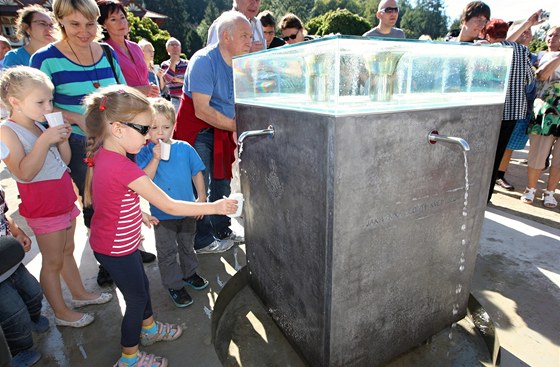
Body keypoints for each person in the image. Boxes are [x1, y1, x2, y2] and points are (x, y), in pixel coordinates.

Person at [81, 85, 238, 367]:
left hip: (117, 244)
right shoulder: (123, 165)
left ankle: (150, 329)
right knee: (137, 297)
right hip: (115, 248)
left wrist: (136, 213)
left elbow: (112, 198)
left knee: (140, 286)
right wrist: (214, 207)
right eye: (144, 129)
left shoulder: (108, 156)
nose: (150, 136)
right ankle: (130, 356)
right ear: (117, 129)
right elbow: (169, 205)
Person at [0, 66, 112, 328]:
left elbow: (64, 160)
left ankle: (79, 293)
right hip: (43, 205)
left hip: (61, 198)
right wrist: (45, 140)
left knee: (67, 250)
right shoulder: (7, 131)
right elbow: (24, 172)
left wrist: (61, 139)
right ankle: (61, 312)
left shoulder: (40, 124)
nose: (48, 106)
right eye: (40, 102)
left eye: (50, 100)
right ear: (15, 102)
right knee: (52, 261)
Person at [175, 11, 251, 254]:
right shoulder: (204, 61)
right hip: (200, 130)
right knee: (200, 185)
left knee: (223, 183)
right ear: (226, 36)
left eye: (250, 35)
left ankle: (222, 228)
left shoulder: (241, 62)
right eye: (244, 35)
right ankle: (202, 239)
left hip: (222, 131)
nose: (250, 40)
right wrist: (236, 127)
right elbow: (201, 110)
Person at [136, 98, 209, 308]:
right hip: (162, 215)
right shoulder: (144, 152)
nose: (160, 133)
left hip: (187, 211)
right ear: (146, 130)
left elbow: (197, 172)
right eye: (154, 128)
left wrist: (201, 199)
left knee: (188, 245)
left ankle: (190, 274)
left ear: (173, 126)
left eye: (165, 127)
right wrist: (155, 158)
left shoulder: (184, 148)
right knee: (167, 252)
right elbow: (144, 180)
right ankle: (174, 285)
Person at [0, 142, 48, 367]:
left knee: (33, 293)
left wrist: (16, 231)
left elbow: (4, 216)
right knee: (13, 314)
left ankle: (35, 318)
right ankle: (20, 352)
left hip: (11, 262)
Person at [482, 19, 535, 204]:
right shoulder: (522, 50)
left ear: (488, 35)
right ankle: (487, 196)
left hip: (492, 108)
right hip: (514, 109)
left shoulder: (489, 50)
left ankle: (478, 195)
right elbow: (530, 79)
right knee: (498, 153)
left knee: (484, 153)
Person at [495, 12, 543, 191]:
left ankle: (499, 175)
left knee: (510, 144)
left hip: (521, 107)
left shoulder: (530, 55)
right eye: (523, 29)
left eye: (529, 30)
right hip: (501, 107)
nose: (526, 33)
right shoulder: (502, 49)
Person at [522, 26, 560, 208]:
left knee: (559, 158)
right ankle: (530, 189)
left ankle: (550, 192)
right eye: (550, 35)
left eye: (557, 35)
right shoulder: (543, 56)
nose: (552, 38)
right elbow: (541, 75)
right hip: (546, 111)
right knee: (538, 153)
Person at [96, 0, 159, 97]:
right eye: (113, 19)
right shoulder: (102, 51)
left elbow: (143, 80)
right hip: (124, 108)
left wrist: (150, 88)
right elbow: (107, 89)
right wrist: (140, 90)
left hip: (145, 105)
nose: (121, 23)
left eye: (122, 17)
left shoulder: (136, 47)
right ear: (103, 24)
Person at [160, 37, 187, 111]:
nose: (175, 47)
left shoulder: (188, 64)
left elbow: (192, 82)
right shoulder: (164, 65)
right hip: (174, 99)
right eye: (172, 44)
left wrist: (178, 80)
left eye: (177, 45)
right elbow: (167, 80)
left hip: (187, 98)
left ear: (180, 49)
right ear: (167, 50)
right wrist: (173, 63)